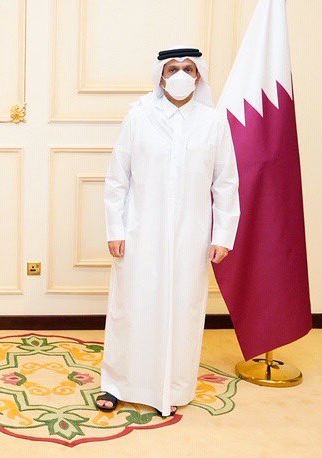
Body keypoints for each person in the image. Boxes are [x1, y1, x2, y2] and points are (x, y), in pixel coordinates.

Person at [96, 47, 240, 416]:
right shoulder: (139, 117)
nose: (179, 74)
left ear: (199, 76)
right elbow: (118, 178)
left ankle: (172, 389)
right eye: (172, 68)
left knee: (183, 310)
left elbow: (225, 183)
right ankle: (117, 384)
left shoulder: (213, 122)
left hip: (191, 236)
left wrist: (223, 235)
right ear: (160, 76)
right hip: (139, 231)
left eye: (187, 68)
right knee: (132, 308)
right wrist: (116, 228)